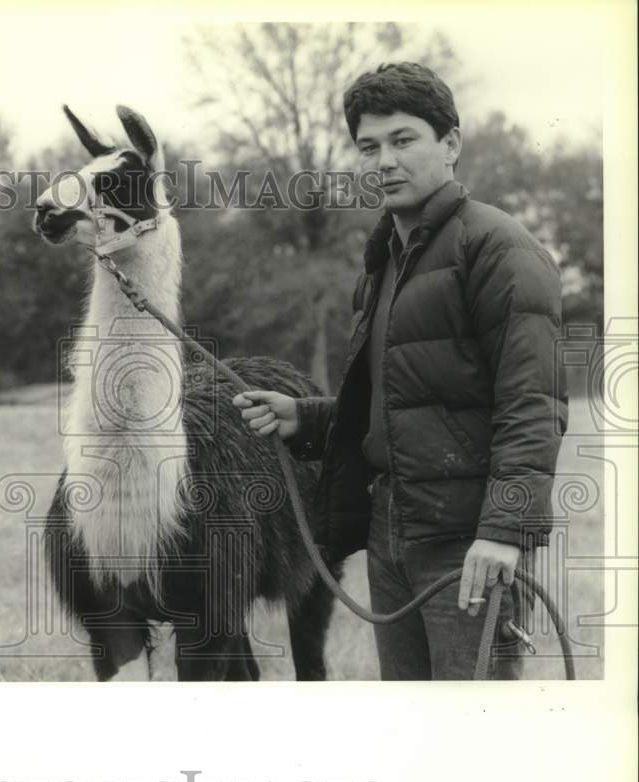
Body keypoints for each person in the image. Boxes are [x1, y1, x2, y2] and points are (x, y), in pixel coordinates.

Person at [233, 63, 566, 680]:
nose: (383, 160)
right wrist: (303, 418)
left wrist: (502, 532)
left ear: (451, 144)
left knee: (473, 743)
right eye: (369, 147)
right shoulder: (383, 260)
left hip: (467, 546)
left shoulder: (501, 249)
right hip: (391, 539)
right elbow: (406, 404)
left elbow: (534, 408)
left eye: (403, 140)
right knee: (411, 733)